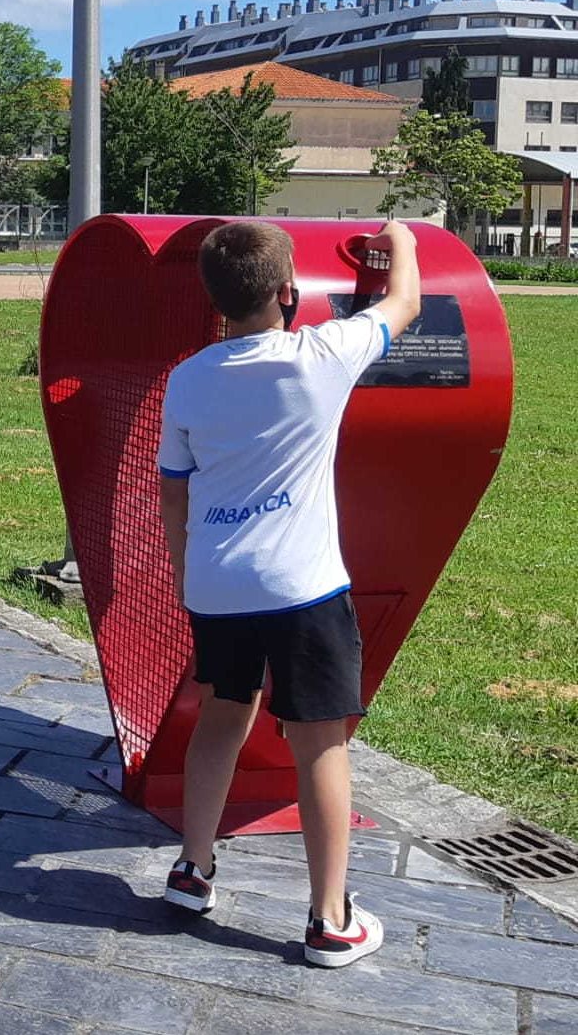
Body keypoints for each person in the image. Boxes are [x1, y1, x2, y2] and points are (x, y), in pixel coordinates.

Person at [157, 219, 420, 968]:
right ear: (289, 293)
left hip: (217, 582)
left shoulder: (188, 378)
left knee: (222, 714)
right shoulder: (322, 355)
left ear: (216, 302)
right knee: (320, 743)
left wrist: (185, 572)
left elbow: (173, 498)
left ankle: (193, 868)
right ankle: (331, 918)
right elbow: (403, 302)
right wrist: (399, 236)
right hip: (302, 586)